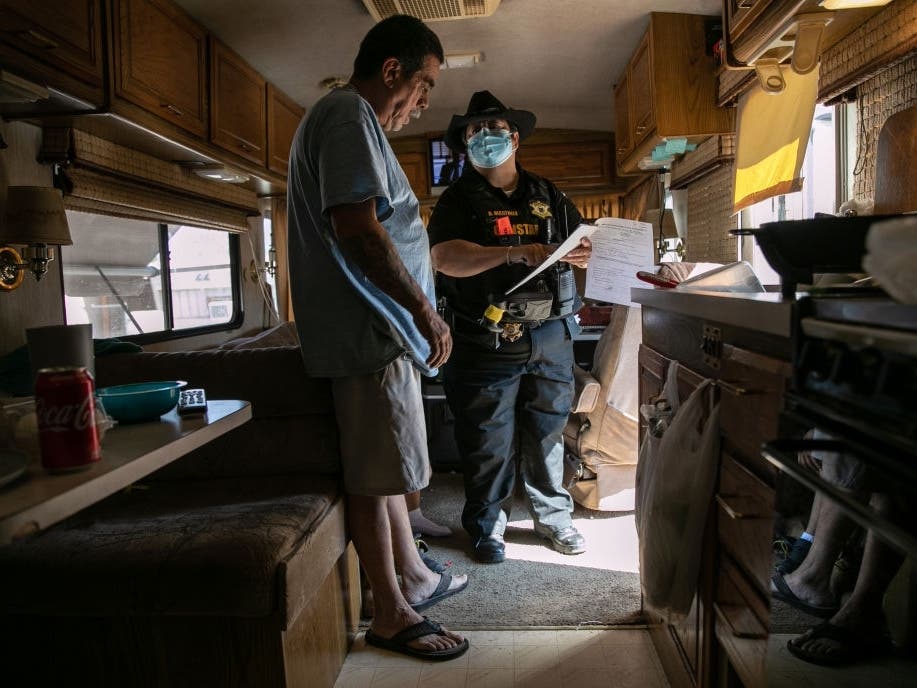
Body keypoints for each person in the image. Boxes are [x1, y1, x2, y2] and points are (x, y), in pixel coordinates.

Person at [286, 14, 468, 660]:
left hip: (375, 333)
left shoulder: (349, 122)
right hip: (369, 329)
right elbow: (357, 227)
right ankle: (389, 613)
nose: (421, 104)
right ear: (391, 70)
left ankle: (409, 580)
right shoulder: (346, 117)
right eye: (421, 87)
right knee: (373, 473)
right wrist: (425, 311)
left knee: (387, 468)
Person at [427, 90, 592, 564]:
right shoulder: (457, 200)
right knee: (486, 439)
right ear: (464, 144)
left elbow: (580, 245)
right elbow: (443, 259)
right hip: (485, 338)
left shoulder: (549, 195)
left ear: (514, 138)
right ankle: (486, 527)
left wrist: (585, 252)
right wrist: (512, 253)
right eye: (473, 131)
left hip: (551, 335)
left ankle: (554, 521)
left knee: (547, 434)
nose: (483, 137)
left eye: (492, 129)